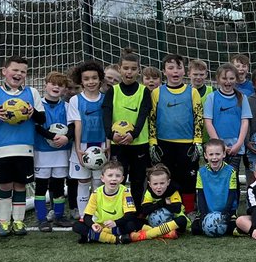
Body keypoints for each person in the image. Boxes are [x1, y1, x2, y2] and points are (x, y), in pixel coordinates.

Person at [0, 55, 45, 236]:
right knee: (4, 186)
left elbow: (42, 119)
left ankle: (18, 221)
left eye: (23, 71)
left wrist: (32, 112)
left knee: (20, 185)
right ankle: (4, 222)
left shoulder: (32, 93)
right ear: (4, 71)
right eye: (15, 70)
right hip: (2, 148)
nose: (18, 74)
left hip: (25, 147)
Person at [149, 54, 204, 214]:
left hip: (187, 144)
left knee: (188, 178)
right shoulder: (157, 92)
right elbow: (151, 119)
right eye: (171, 68)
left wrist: (198, 141)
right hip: (163, 143)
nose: (175, 71)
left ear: (184, 71)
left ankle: (189, 211)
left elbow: (198, 117)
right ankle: (166, 209)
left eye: (178, 68)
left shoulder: (192, 92)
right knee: (165, 178)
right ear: (164, 71)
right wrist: (153, 142)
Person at [106, 51, 153, 201]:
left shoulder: (143, 91)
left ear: (139, 71)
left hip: (138, 143)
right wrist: (110, 134)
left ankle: (137, 211)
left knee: (138, 180)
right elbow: (106, 115)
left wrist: (133, 134)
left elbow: (143, 114)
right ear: (119, 69)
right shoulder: (112, 91)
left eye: (133, 69)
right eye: (126, 68)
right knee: (118, 178)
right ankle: (119, 210)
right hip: (118, 142)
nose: (129, 72)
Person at [68, 60, 108, 219]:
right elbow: (77, 124)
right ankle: (84, 216)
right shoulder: (75, 100)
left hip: (101, 146)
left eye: (94, 78)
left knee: (98, 183)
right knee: (83, 182)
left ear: (100, 79)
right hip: (82, 146)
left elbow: (108, 123)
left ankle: (97, 215)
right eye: (86, 79)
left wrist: (108, 144)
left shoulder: (106, 98)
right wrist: (77, 148)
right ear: (81, 81)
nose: (91, 82)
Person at [33, 70, 73, 232]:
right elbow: (36, 126)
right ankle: (42, 219)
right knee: (41, 186)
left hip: (61, 151)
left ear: (64, 90)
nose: (56, 87)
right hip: (42, 151)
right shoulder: (38, 105)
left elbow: (72, 126)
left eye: (60, 85)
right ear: (45, 85)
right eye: (53, 84)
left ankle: (59, 216)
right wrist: (52, 136)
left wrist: (66, 138)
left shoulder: (67, 106)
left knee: (58, 185)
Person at [73, 158, 137, 244]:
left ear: (122, 179)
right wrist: (93, 225)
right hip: (101, 225)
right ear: (102, 178)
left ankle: (95, 236)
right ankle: (116, 239)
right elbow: (87, 216)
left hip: (117, 224)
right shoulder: (96, 193)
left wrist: (115, 223)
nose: (114, 179)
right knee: (76, 226)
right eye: (110, 175)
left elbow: (130, 215)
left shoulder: (125, 191)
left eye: (117, 176)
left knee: (131, 225)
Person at [203, 63, 252, 171]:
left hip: (235, 147)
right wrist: (220, 145)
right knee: (217, 177)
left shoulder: (242, 98)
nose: (228, 81)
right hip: (217, 149)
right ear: (218, 79)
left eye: (231, 78)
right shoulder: (212, 97)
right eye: (224, 78)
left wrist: (239, 144)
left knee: (232, 177)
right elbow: (208, 122)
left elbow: (245, 122)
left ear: (236, 79)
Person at [130, 163, 187, 240]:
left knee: (182, 220)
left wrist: (154, 206)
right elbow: (144, 210)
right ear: (150, 184)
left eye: (162, 183)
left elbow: (176, 209)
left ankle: (146, 235)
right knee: (133, 220)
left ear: (168, 182)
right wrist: (162, 202)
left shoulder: (173, 191)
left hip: (172, 222)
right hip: (154, 224)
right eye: (155, 184)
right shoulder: (149, 192)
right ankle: (165, 234)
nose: (159, 187)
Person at [195, 139, 238, 236]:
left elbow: (232, 194)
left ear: (224, 154)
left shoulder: (231, 171)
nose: (214, 157)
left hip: (226, 211)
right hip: (208, 210)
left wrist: (226, 213)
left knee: (231, 229)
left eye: (218, 154)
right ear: (205, 156)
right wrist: (203, 214)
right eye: (211, 154)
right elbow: (200, 194)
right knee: (195, 229)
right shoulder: (201, 172)